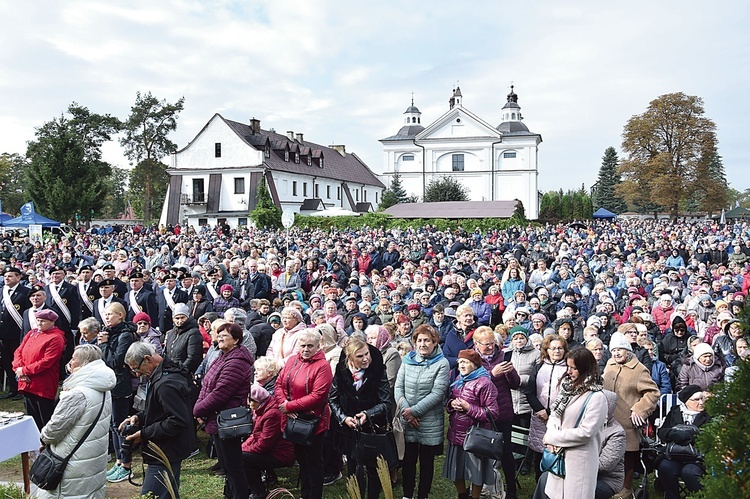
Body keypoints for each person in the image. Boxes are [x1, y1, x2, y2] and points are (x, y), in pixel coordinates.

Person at [37, 344, 115, 499]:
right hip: (92, 458)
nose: (70, 363)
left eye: (73, 359)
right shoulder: (103, 388)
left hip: (73, 462)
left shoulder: (78, 393)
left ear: (84, 364)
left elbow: (55, 428)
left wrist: (43, 438)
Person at [122, 342, 197, 499]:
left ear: (148, 359)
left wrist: (144, 433)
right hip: (168, 448)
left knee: (151, 495)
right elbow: (161, 410)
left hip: (165, 451)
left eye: (136, 368)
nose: (137, 374)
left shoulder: (166, 384)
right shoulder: (164, 374)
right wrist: (139, 417)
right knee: (167, 492)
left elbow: (177, 420)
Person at [194, 322, 254, 499]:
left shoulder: (236, 362)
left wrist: (197, 410)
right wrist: (200, 408)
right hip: (215, 417)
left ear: (236, 340)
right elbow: (206, 385)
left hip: (228, 420)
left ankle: (240, 495)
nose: (219, 338)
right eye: (218, 335)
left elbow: (221, 393)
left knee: (233, 466)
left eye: (224, 335)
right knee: (228, 466)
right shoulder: (222, 356)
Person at [329, 337, 392, 499]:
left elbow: (386, 402)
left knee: (374, 469)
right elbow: (333, 399)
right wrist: (343, 418)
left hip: (372, 428)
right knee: (352, 466)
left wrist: (367, 414)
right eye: (360, 356)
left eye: (367, 354)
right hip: (348, 428)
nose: (365, 359)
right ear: (350, 358)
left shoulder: (377, 369)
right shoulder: (342, 370)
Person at [274, 329, 334, 499]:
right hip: (293, 419)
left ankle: (314, 495)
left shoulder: (323, 366)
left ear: (318, 346)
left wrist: (290, 406)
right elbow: (278, 384)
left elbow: (318, 396)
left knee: (313, 461)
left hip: (313, 421)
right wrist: (284, 404)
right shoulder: (292, 360)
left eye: (310, 346)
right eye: (302, 345)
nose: (306, 349)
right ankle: (304, 494)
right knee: (301, 459)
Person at [541, 348, 607, 499]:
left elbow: (586, 432)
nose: (569, 372)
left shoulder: (597, 397)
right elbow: (555, 415)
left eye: (574, 368)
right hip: (559, 455)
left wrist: (553, 438)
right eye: (568, 367)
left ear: (585, 369)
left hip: (580, 461)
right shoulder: (567, 388)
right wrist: (551, 434)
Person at [394, 324, 450, 499]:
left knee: (427, 462)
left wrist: (414, 412)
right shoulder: (407, 360)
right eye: (419, 340)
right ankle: (407, 495)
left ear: (434, 342)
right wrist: (406, 411)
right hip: (407, 419)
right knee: (408, 461)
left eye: (427, 340)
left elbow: (437, 393)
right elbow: (398, 387)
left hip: (429, 421)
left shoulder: (442, 363)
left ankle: (423, 495)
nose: (423, 344)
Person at [603, 332, 660, 498]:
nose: (616, 353)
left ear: (627, 350)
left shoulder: (639, 370)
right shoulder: (609, 365)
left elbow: (653, 392)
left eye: (620, 349)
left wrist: (640, 409)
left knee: (627, 455)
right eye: (614, 350)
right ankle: (608, 484)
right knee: (607, 455)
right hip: (606, 420)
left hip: (626, 421)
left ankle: (626, 488)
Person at [443, 348, 500, 499]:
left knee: (476, 473)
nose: (461, 365)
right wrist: (451, 404)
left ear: (474, 364)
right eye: (460, 362)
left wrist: (469, 408)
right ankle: (462, 495)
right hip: (456, 434)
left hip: (476, 436)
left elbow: (492, 413)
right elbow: (449, 399)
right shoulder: (458, 380)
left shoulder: (485, 383)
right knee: (455, 471)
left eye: (465, 362)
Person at [99, 302, 137, 483]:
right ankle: (119, 461)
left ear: (120, 315)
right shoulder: (109, 333)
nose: (106, 317)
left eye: (110, 314)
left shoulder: (125, 334)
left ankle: (127, 465)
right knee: (113, 425)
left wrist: (105, 345)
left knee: (120, 425)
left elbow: (115, 361)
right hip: (108, 383)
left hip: (119, 385)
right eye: (105, 315)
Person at [12, 309, 66, 429]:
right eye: (38, 320)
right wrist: (18, 369)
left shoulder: (56, 338)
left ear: (52, 322)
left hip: (42, 384)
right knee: (31, 417)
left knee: (44, 418)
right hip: (26, 382)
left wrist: (25, 370)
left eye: (43, 321)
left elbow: (47, 361)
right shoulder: (32, 333)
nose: (39, 323)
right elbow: (19, 351)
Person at [526, 334, 568, 478]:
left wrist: (551, 412)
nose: (557, 351)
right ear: (546, 350)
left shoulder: (569, 368)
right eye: (553, 348)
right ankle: (540, 486)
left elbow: (568, 394)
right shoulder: (539, 367)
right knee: (540, 452)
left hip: (561, 417)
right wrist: (540, 410)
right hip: (539, 417)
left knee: (557, 452)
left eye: (560, 348)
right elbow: (529, 391)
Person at [657, 384, 710, 499]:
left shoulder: (708, 414)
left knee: (689, 473)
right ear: (686, 402)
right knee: (665, 467)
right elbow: (662, 432)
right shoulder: (675, 411)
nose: (701, 402)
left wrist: (688, 436)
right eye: (696, 399)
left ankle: (701, 496)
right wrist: (672, 434)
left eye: (702, 398)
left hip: (698, 457)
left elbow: (710, 434)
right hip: (675, 455)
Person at [242, 384, 295, 499]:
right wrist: (242, 447)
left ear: (260, 400)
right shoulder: (262, 409)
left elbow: (263, 445)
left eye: (252, 400)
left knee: (244, 458)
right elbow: (254, 435)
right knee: (241, 454)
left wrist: (242, 452)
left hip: (281, 454)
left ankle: (258, 491)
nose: (249, 403)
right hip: (271, 450)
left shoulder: (272, 414)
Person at [505, 325, 539, 477]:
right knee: (512, 433)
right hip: (511, 400)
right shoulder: (507, 353)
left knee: (526, 434)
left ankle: (526, 463)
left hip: (526, 400)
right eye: (515, 338)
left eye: (521, 338)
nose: (518, 341)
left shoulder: (535, 354)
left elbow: (535, 376)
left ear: (526, 339)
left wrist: (518, 380)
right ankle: (512, 460)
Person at [0, 266, 31, 400]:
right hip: (2, 334)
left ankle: (21, 388)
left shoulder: (26, 292)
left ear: (18, 277)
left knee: (18, 363)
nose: (7, 278)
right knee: (7, 362)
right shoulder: (1, 291)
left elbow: (29, 314)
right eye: (5, 276)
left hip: (17, 334)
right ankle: (13, 388)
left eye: (10, 276)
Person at [596, 390, 626, 499]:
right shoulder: (586, 425)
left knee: (576, 491)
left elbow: (605, 465)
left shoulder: (617, 432)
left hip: (607, 480)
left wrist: (576, 465)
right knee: (546, 480)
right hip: (582, 474)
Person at [164, 302, 204, 375]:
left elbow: (193, 358)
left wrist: (180, 371)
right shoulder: (171, 333)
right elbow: (167, 354)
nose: (180, 321)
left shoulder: (193, 332)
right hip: (171, 372)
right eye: (177, 318)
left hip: (184, 374)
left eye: (182, 317)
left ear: (187, 317)